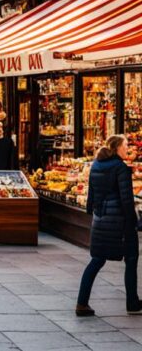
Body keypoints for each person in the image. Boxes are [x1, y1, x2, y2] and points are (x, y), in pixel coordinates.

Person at [77, 135, 142, 316]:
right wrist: (133, 222)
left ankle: (82, 303)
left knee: (97, 260)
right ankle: (132, 302)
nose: (127, 149)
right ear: (117, 148)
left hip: (101, 220)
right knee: (131, 259)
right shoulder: (120, 168)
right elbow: (126, 200)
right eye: (125, 145)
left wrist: (95, 213)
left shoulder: (96, 165)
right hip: (119, 222)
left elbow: (91, 197)